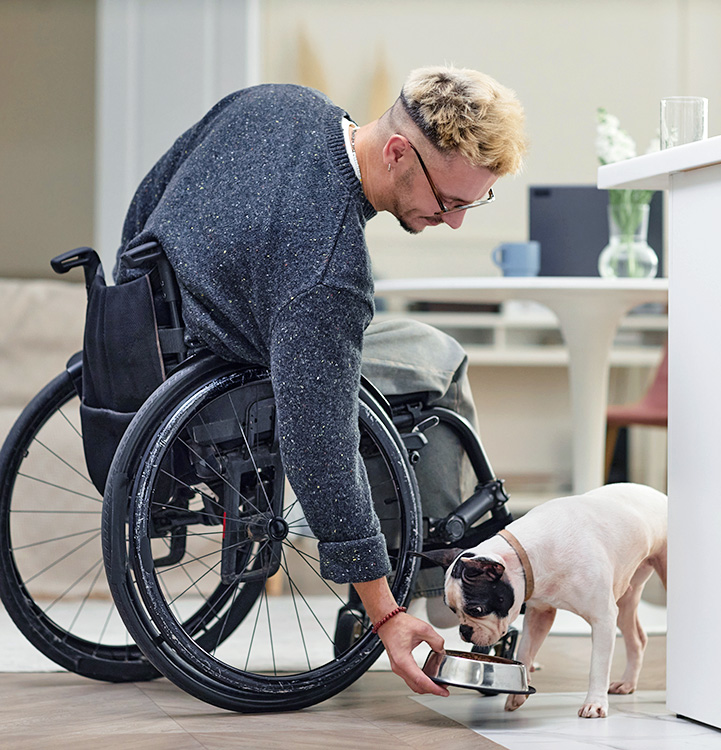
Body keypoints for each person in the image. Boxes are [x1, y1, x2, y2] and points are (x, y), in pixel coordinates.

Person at [115, 65, 527, 696]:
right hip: (241, 370)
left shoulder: (281, 103)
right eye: (448, 202)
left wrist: (140, 303)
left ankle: (429, 575)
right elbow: (321, 452)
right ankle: (437, 592)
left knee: (424, 344)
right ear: (397, 153)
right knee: (437, 368)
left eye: (471, 204)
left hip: (160, 334)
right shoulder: (330, 269)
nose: (454, 224)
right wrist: (382, 612)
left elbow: (150, 200)